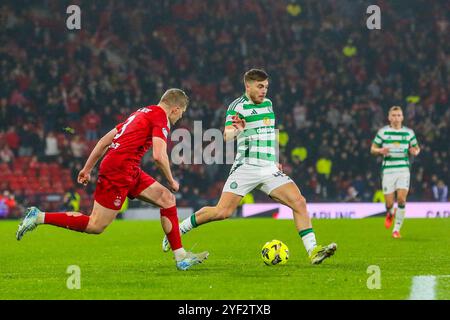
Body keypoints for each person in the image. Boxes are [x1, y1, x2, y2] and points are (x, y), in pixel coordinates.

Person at [16, 89, 208, 271]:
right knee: (96, 225)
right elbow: (159, 156)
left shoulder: (140, 113)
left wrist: (87, 168)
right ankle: (39, 217)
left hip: (128, 168)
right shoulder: (160, 117)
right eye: (181, 113)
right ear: (175, 108)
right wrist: (171, 180)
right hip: (119, 170)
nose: (179, 117)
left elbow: (103, 141)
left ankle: (181, 256)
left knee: (167, 199)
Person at [162, 69, 337, 264]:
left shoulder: (269, 105)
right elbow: (227, 135)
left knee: (299, 202)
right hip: (246, 167)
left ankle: (313, 251)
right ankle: (178, 230)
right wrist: (237, 129)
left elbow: (269, 134)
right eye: (260, 87)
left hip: (268, 168)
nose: (264, 91)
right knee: (222, 212)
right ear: (248, 86)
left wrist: (274, 158)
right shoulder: (237, 107)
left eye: (266, 87)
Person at [371, 106, 420, 238]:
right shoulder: (383, 132)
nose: (396, 118)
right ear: (389, 117)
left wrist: (414, 151)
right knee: (389, 203)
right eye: (393, 115)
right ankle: (390, 212)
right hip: (388, 170)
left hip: (403, 169)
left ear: (402, 117)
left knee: (401, 199)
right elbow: (373, 148)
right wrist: (380, 151)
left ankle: (396, 229)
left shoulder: (409, 133)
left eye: (398, 115)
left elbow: (416, 147)